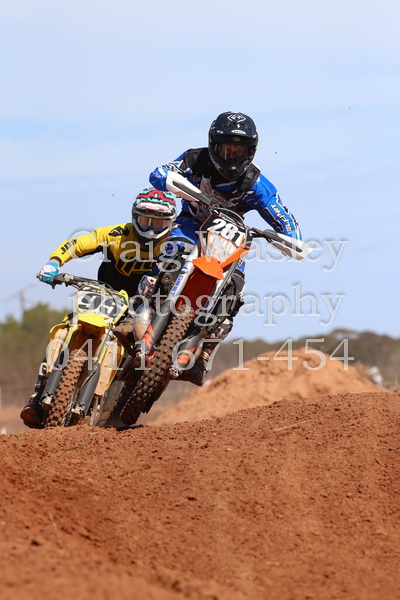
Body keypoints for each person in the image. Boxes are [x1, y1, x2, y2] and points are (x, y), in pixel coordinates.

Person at [149, 111, 301, 386]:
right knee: (170, 256)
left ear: (250, 151)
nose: (231, 156)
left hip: (230, 239)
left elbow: (286, 221)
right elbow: (159, 172)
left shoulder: (256, 184)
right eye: (226, 149)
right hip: (192, 225)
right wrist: (175, 182)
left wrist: (291, 240)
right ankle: (139, 310)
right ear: (213, 145)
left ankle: (204, 352)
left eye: (238, 151)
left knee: (235, 289)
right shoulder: (195, 159)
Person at [20, 188, 177, 428]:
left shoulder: (174, 246)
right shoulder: (117, 234)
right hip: (106, 293)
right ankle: (38, 393)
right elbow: (81, 242)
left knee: (147, 349)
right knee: (66, 327)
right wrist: (54, 262)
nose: (151, 229)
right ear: (135, 216)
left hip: (143, 305)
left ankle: (128, 399)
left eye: (158, 223)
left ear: (169, 223)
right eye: (146, 220)